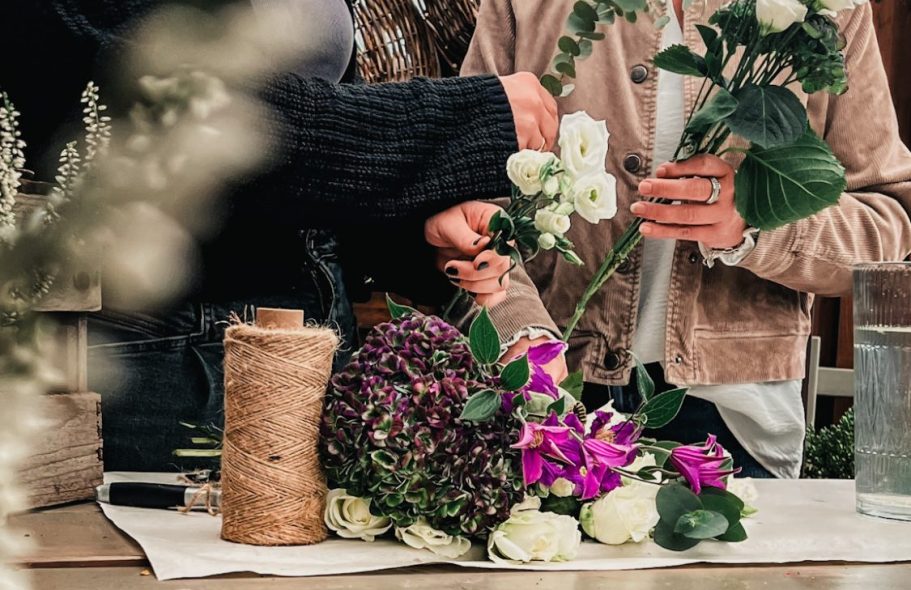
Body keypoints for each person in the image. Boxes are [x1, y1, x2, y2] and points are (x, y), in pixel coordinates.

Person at [2, 0, 555, 471]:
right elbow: (106, 91)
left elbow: (296, 154)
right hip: (149, 367)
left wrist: (414, 240)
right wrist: (459, 122)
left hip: (315, 361)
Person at [461, 0, 911, 478]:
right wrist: (517, 327)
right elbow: (463, 196)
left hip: (733, 423)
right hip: (549, 398)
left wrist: (756, 219)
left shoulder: (832, 8)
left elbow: (888, 220)